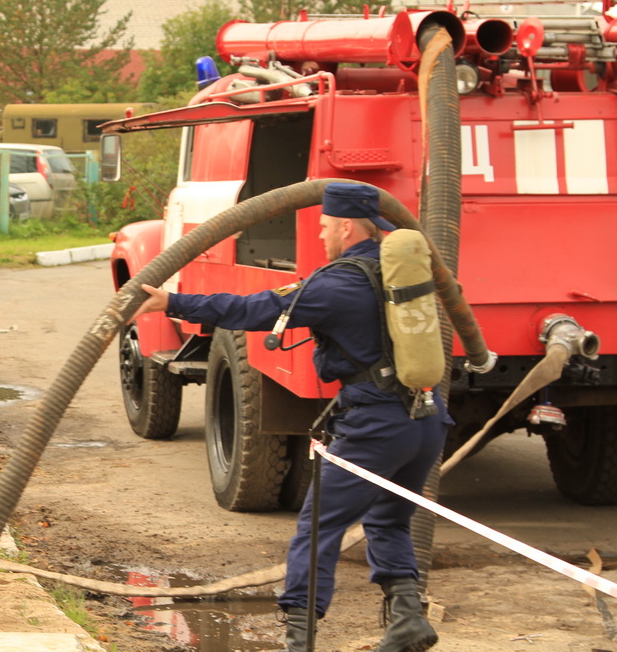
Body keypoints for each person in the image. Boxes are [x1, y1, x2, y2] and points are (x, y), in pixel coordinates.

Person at [131, 183, 449, 652]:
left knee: (318, 526)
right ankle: (406, 618)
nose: (321, 236)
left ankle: (299, 639)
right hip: (426, 420)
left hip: (376, 423)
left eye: (324, 227)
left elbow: (251, 310)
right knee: (388, 519)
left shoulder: (337, 283)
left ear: (345, 226)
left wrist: (173, 303)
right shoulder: (398, 272)